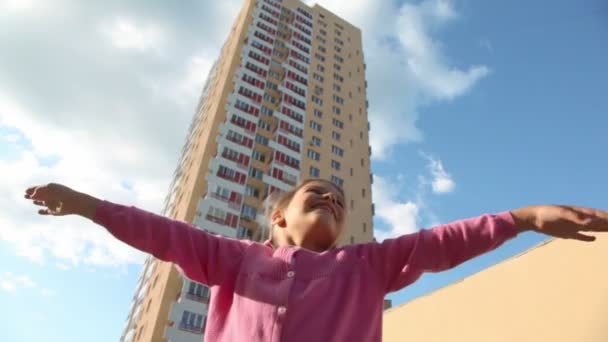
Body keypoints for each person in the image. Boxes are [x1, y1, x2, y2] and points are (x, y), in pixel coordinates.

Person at [24, 179, 607, 341]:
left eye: (340, 201)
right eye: (314, 195)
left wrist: (523, 218)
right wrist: (90, 206)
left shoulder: (369, 265)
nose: (330, 199)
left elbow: (445, 240)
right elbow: (164, 234)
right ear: (279, 218)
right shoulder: (232, 260)